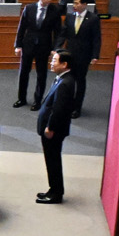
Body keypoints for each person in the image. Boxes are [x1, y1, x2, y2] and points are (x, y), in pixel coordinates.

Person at [13, 0, 61, 108]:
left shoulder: (54, 11)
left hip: (44, 46)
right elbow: (21, 28)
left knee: (41, 74)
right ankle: (21, 98)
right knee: (24, 72)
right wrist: (18, 45)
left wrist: (55, 48)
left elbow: (58, 32)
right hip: (28, 44)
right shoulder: (29, 8)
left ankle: (37, 100)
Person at [54, 0, 100, 118]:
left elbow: (96, 39)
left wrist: (95, 55)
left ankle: (77, 108)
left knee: (80, 81)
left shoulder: (93, 18)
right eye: (73, 3)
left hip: (84, 55)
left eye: (77, 3)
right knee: (68, 80)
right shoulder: (69, 17)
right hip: (70, 54)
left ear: (84, 4)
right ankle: (67, 105)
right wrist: (56, 49)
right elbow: (63, 34)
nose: (74, 6)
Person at [35, 60, 74, 204]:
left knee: (53, 161)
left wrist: (50, 127)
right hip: (53, 129)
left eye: (54, 60)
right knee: (51, 160)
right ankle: (53, 189)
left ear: (64, 64)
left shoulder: (65, 84)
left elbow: (59, 109)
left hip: (54, 131)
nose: (51, 63)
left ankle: (56, 193)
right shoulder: (62, 79)